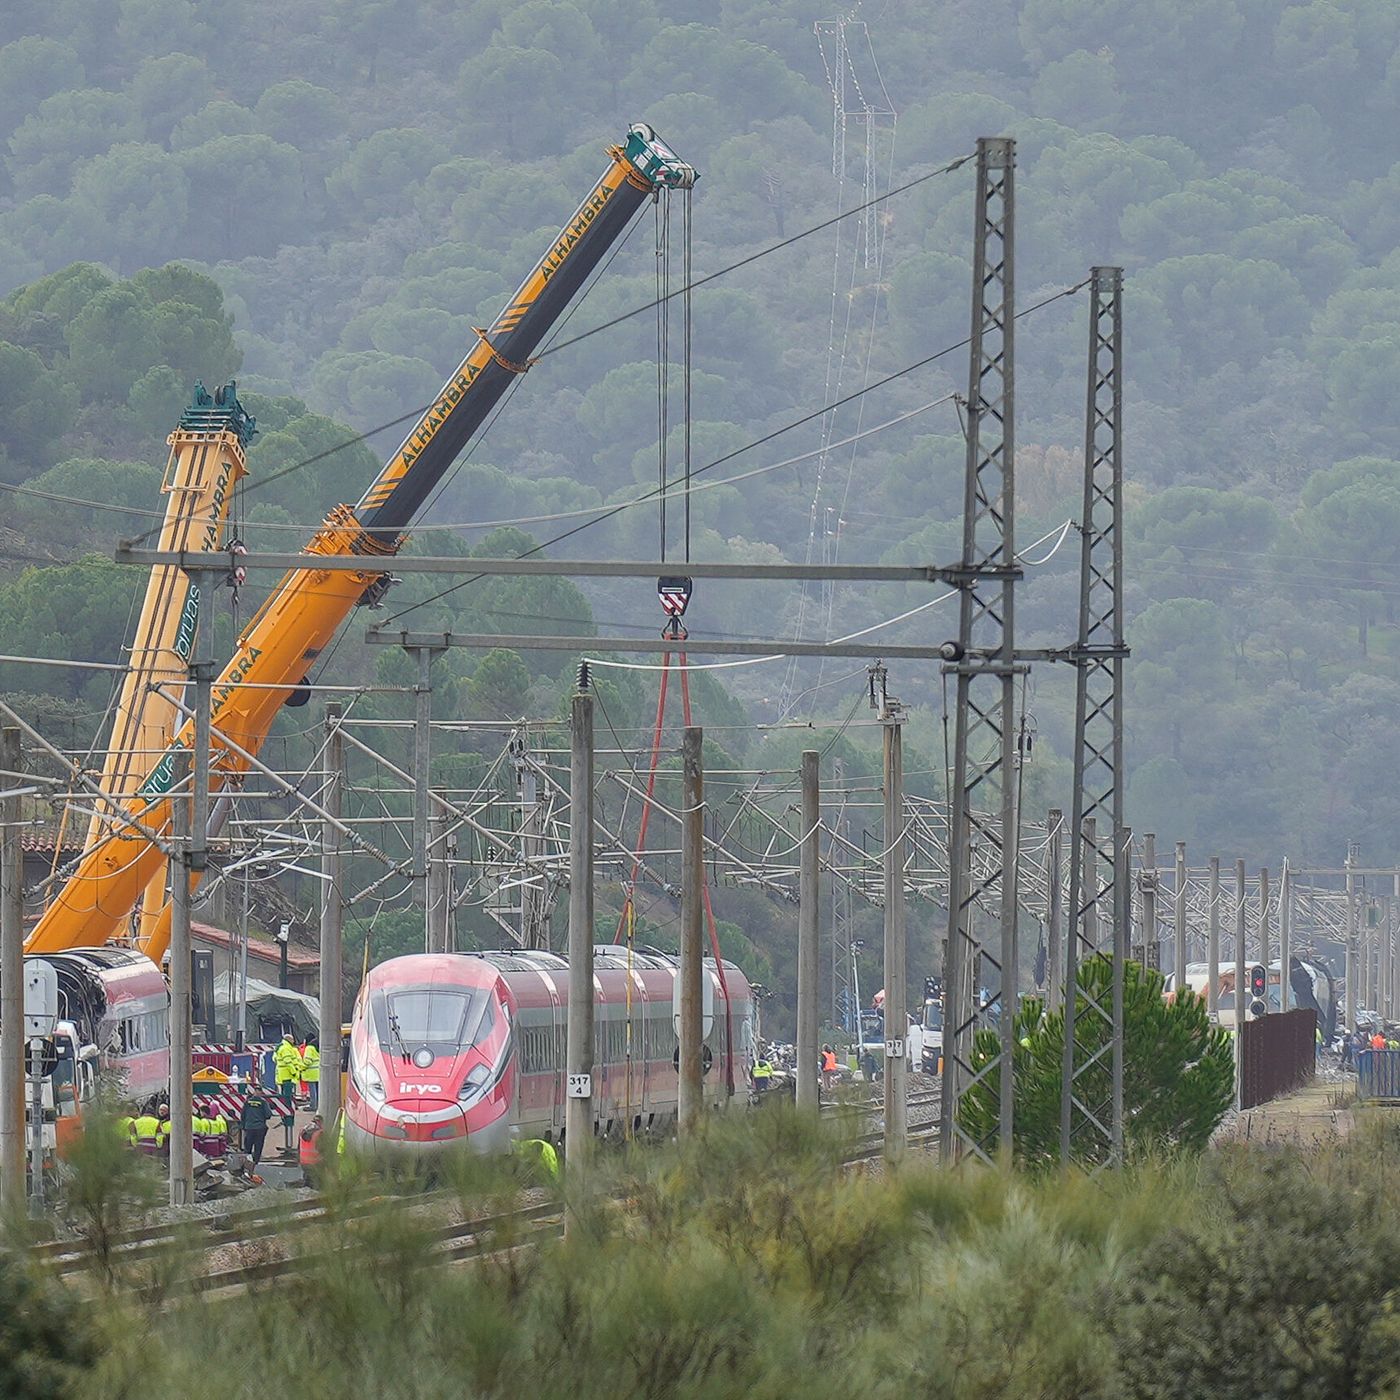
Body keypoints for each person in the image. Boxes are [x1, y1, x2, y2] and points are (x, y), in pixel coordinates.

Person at [240, 1084, 273, 1167]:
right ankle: (256, 1163)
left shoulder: (247, 1102)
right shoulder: (263, 1102)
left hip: (249, 1127)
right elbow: (268, 1115)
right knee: (258, 1146)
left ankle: (247, 1163)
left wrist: (244, 1125)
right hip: (260, 1128)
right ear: (261, 1093)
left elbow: (242, 1115)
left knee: (248, 1147)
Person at [274, 1033, 304, 1114]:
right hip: (287, 1074)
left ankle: (286, 1107)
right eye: (292, 1039)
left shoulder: (282, 1047)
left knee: (285, 1092)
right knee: (287, 1093)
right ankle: (287, 1109)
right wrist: (294, 1072)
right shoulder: (286, 1048)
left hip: (283, 1074)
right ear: (289, 1040)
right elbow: (288, 1061)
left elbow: (275, 1059)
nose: (294, 1041)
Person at [298, 1115, 324, 1187]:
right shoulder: (319, 1133)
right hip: (315, 1162)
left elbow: (298, 1148)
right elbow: (323, 1149)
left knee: (307, 1181)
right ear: (320, 1122)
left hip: (304, 1161)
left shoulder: (302, 1130)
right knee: (316, 1184)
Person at [301, 1037, 321, 1112]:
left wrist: (301, 1067)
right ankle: (318, 1105)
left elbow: (307, 1061)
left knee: (312, 1091)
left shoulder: (309, 1048)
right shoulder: (318, 1048)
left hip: (311, 1072)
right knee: (317, 1090)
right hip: (318, 1072)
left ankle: (313, 1106)